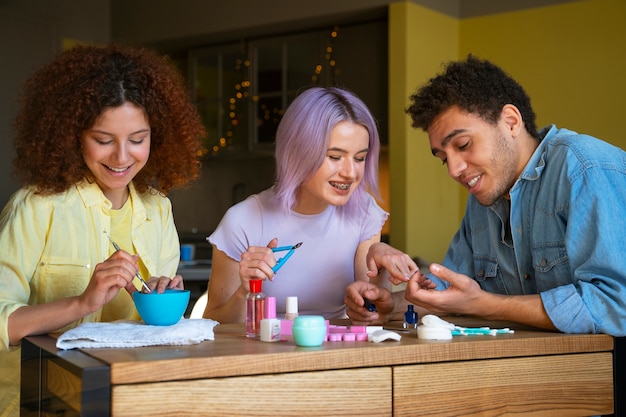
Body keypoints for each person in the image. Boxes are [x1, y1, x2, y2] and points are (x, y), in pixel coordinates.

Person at [345, 55, 626, 336]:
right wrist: (391, 306)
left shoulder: (585, 169)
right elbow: (452, 290)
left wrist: (486, 305)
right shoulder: (484, 197)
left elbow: (616, 305)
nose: (454, 169)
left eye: (463, 144)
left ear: (511, 122)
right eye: (443, 158)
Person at [0, 44, 206, 416]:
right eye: (103, 140)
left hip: (133, 399)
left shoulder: (158, 210)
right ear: (72, 134)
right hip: (42, 401)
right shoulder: (36, 207)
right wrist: (82, 303)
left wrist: (161, 300)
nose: (122, 157)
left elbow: (153, 330)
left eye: (138, 139)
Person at [203, 86, 418, 323]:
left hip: (336, 352)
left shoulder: (364, 211)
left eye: (359, 158)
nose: (350, 173)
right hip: (265, 352)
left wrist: (380, 265)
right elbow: (213, 324)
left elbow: (369, 310)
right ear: (298, 151)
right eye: (335, 157)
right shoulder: (242, 221)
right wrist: (246, 291)